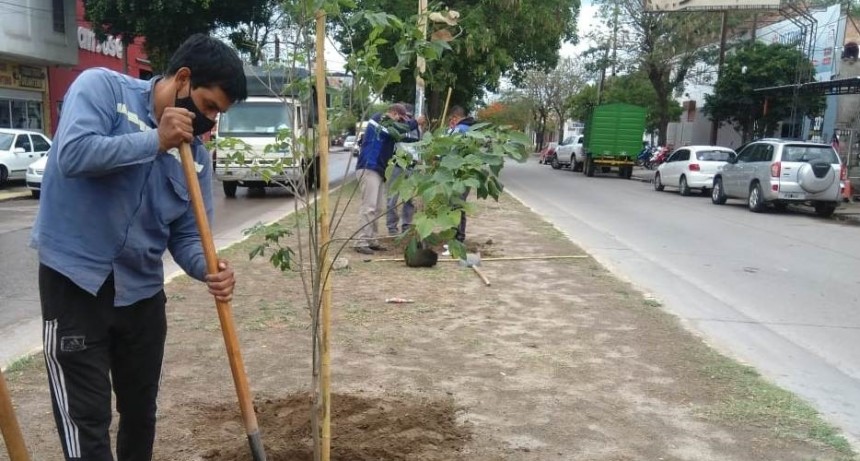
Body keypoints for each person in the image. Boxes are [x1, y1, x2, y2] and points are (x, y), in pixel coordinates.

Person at [30, 34, 247, 461]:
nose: (210, 122)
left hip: (143, 298)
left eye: (218, 114)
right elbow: (72, 154)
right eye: (207, 107)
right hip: (76, 287)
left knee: (140, 414)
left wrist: (209, 267)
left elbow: (185, 235)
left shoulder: (197, 158)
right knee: (85, 419)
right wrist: (156, 141)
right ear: (183, 79)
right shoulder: (103, 91)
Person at [354, 103, 420, 254]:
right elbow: (397, 130)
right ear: (394, 113)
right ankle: (362, 241)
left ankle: (372, 240)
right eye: (400, 119)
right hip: (368, 167)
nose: (400, 122)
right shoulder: (379, 120)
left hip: (378, 170)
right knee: (368, 206)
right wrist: (415, 123)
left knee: (377, 208)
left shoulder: (389, 129)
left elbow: (399, 139)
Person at [386, 103, 423, 236]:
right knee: (392, 198)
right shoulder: (396, 127)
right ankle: (392, 227)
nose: (406, 119)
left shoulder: (417, 129)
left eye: (409, 116)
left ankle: (406, 225)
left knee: (409, 198)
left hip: (412, 167)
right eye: (404, 116)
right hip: (397, 166)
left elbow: (420, 146)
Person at [447, 106, 477, 243]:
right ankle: (457, 237)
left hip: (459, 174)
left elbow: (450, 150)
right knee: (458, 205)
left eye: (452, 119)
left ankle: (457, 239)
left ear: (455, 117)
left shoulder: (461, 129)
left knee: (456, 206)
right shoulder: (472, 128)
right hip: (466, 174)